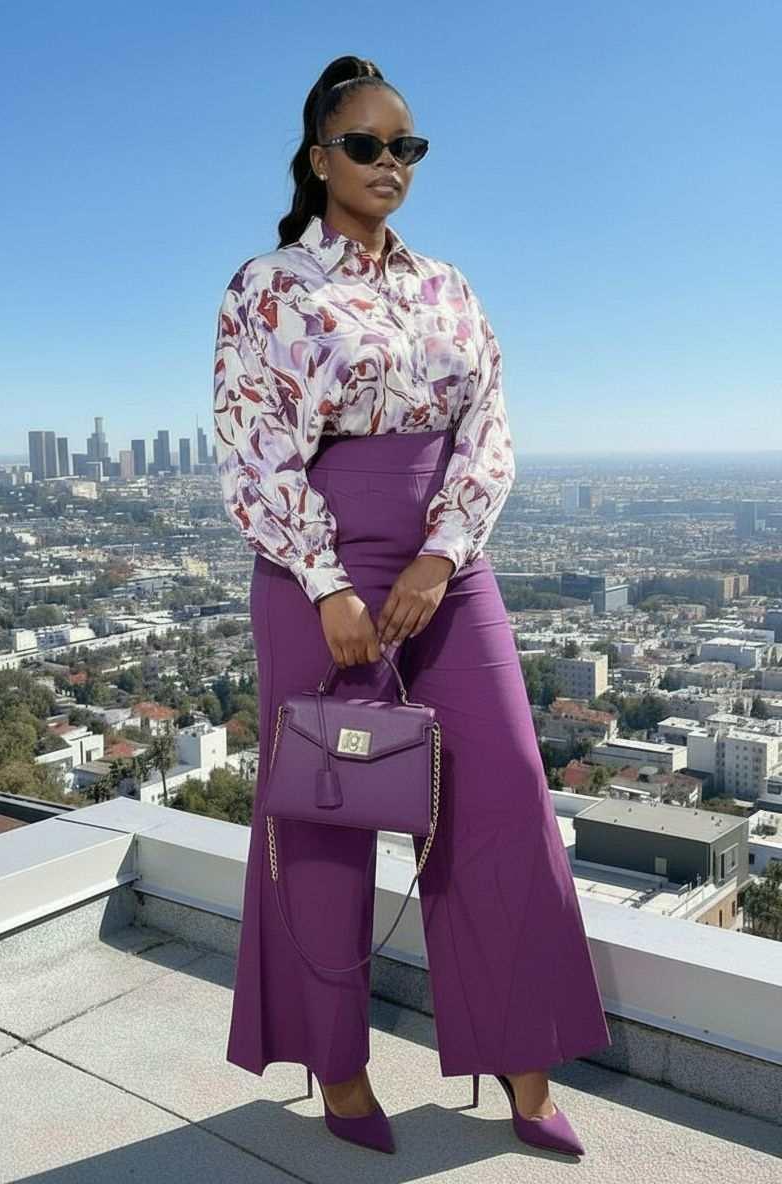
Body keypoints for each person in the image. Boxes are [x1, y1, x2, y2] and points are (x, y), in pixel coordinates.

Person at [213, 54, 612, 1158]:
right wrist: (326, 577)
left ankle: (522, 1068)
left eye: (408, 147)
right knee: (321, 811)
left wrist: (444, 555)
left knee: (505, 790)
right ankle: (337, 1066)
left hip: (449, 553)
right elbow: (252, 450)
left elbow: (489, 427)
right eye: (368, 145)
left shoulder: (449, 284)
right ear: (318, 158)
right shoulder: (269, 286)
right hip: (317, 560)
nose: (391, 164)